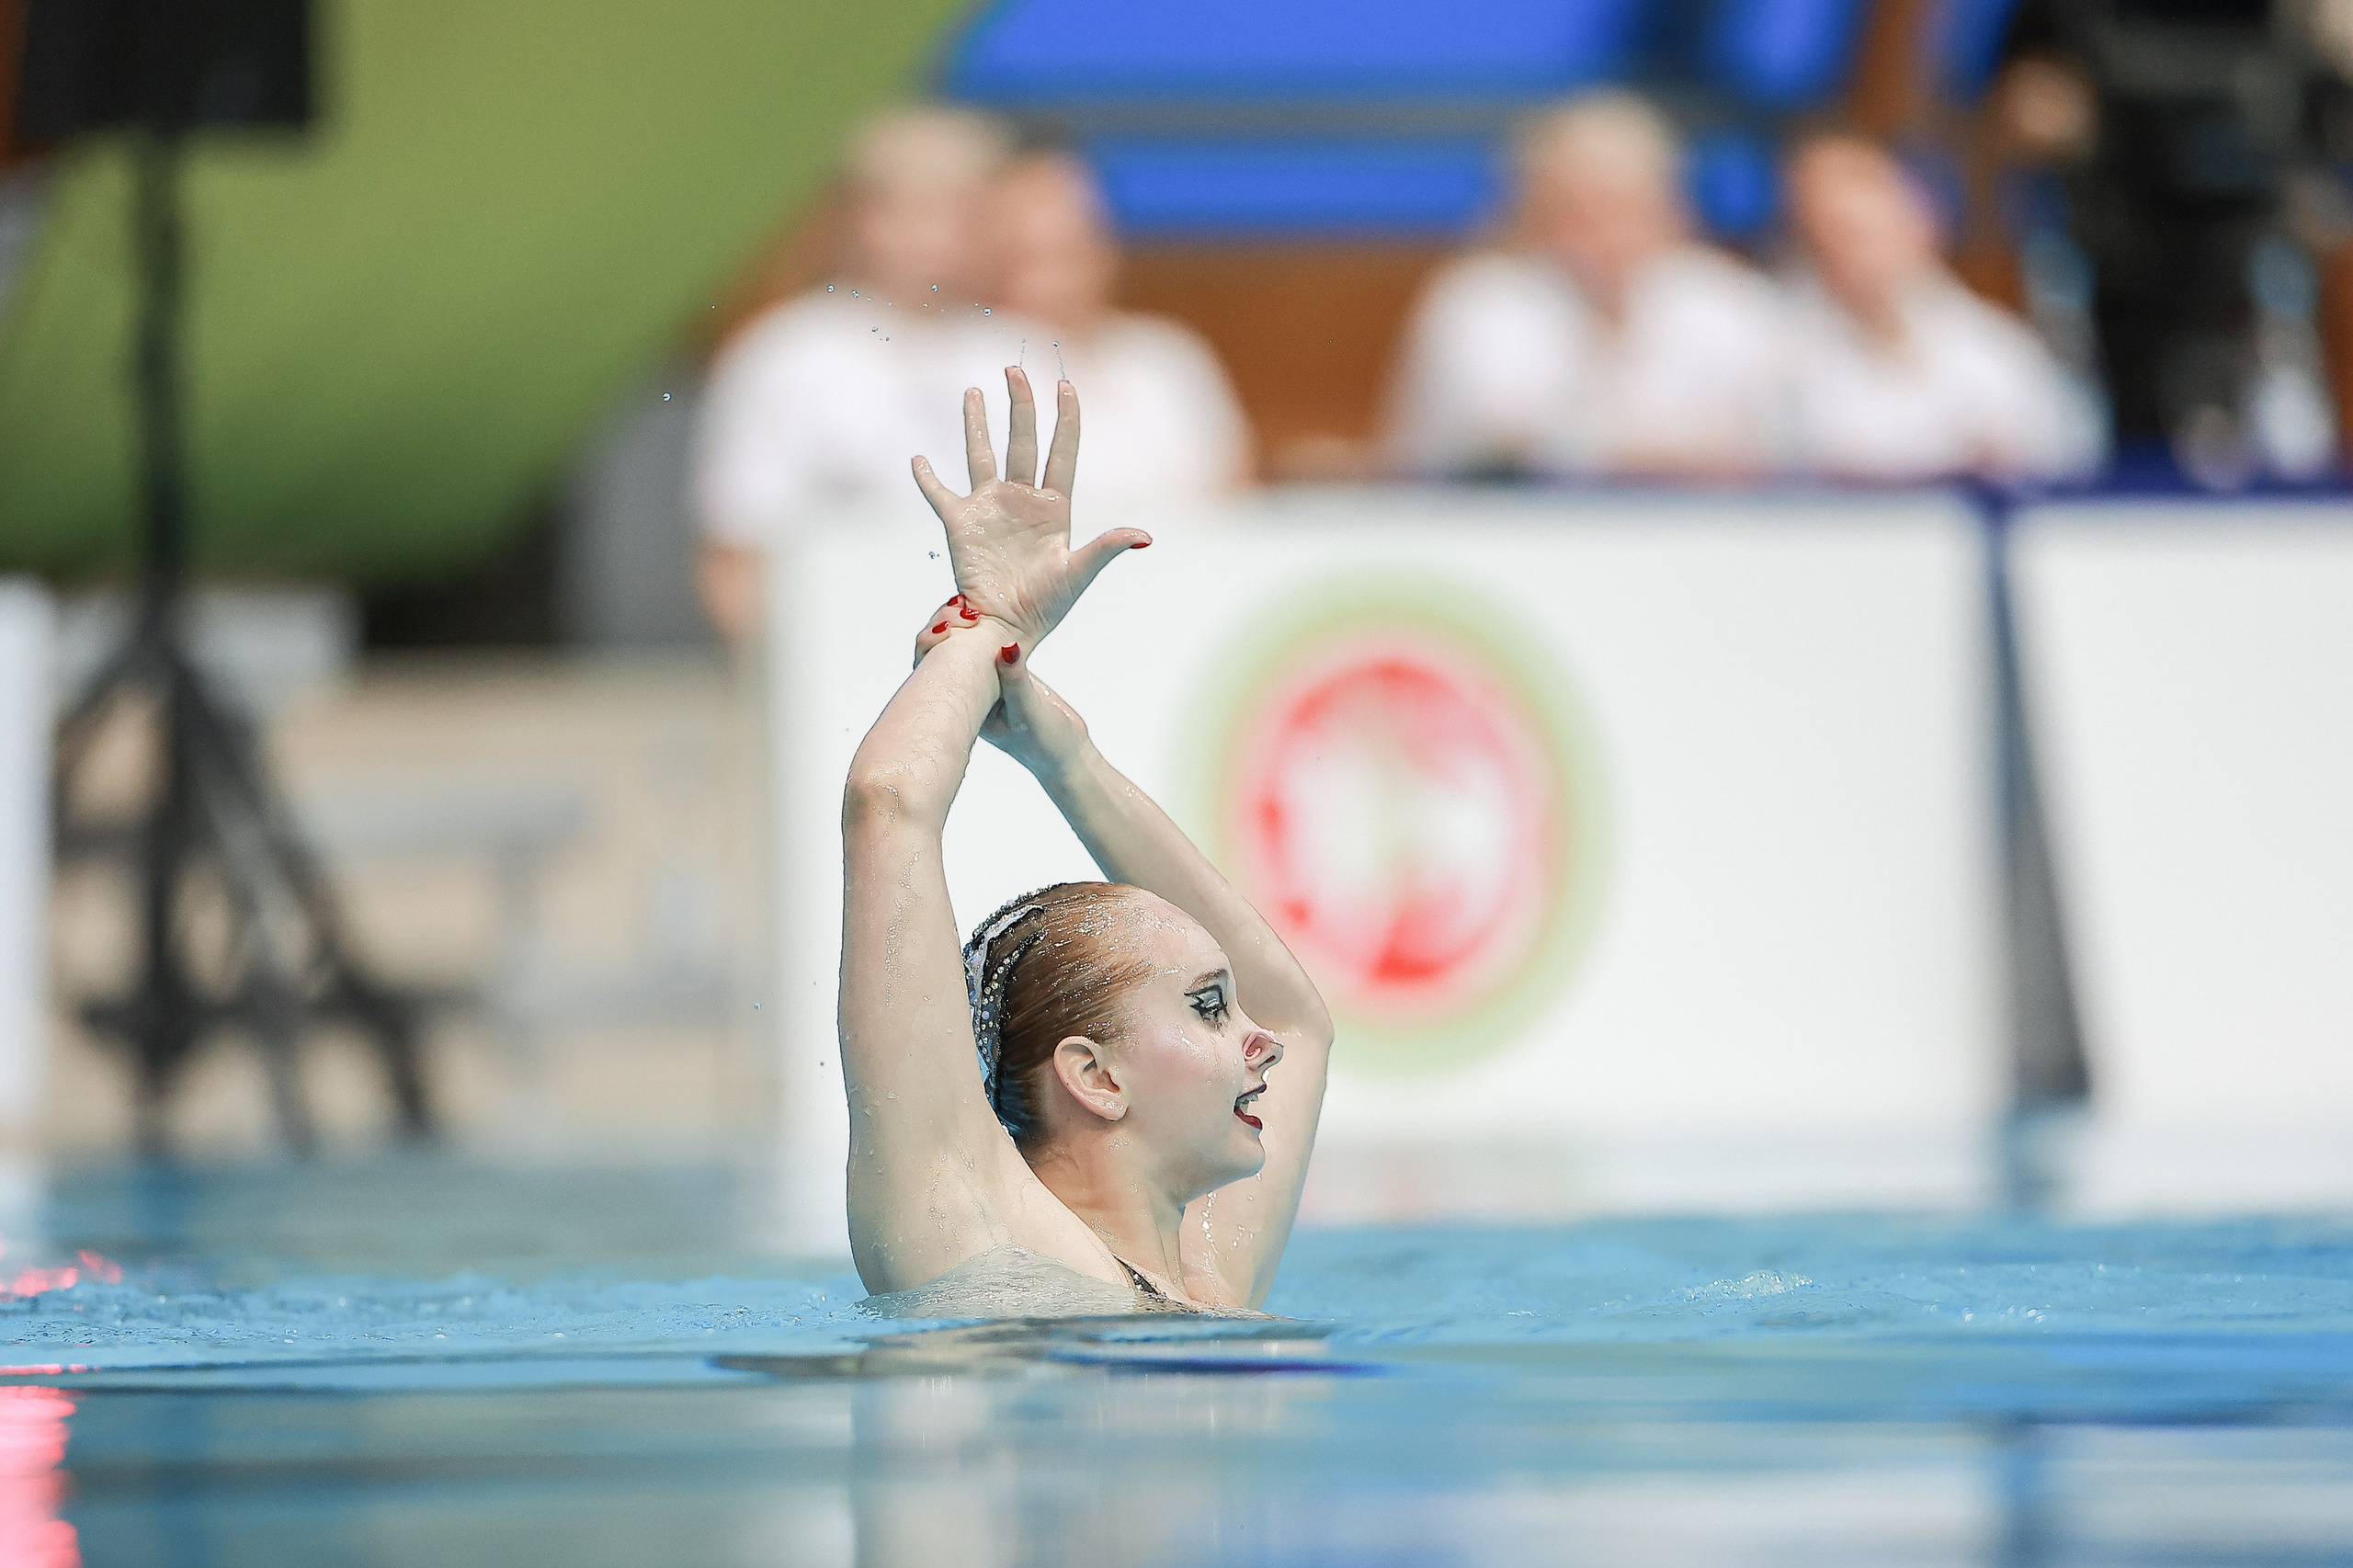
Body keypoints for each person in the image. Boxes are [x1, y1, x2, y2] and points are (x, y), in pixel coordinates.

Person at [838, 367, 1334, 1312]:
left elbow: (1298, 1013)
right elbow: (884, 805)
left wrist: (1069, 759)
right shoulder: (971, 1238)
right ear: (1093, 1076)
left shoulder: (1207, 1280)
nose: (1260, 1037)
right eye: (1207, 1005)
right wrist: (984, 631)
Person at [693, 107, 1023, 642]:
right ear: (862, 218)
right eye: (912, 210)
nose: (934, 236)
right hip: (837, 659)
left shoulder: (1016, 352)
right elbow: (735, 560)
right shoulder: (784, 358)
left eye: (957, 211)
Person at [1384, 90, 1789, 481]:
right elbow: (1514, 444)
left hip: (1711, 536)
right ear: (1532, 212)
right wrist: (1669, 455)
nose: (1604, 232)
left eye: (1625, 206)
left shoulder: (1726, 299)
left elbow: (1783, 440)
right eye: (1579, 208)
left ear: (1672, 208)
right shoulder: (1480, 301)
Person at [1780, 131, 2099, 482]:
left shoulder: (1994, 352)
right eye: (1820, 239)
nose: (1843, 256)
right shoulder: (1785, 352)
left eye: (1856, 234)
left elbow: (2063, 466)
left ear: (1919, 225)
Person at [985, 150, 1253, 507]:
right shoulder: (964, 361)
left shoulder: (1169, 351)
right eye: (1038, 257)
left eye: (1074, 250)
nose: (1062, 281)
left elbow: (1239, 488)